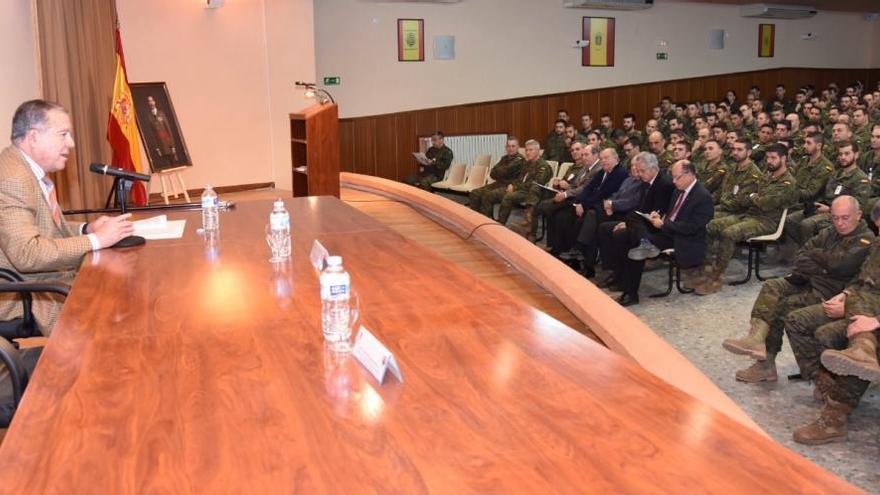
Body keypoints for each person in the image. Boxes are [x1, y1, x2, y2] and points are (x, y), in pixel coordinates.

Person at [0, 100, 134, 334]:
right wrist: (97, 241)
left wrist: (87, 229)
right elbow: (27, 253)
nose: (70, 144)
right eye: (63, 134)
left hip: (44, 280)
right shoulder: (13, 178)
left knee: (122, 292)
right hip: (23, 294)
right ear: (33, 137)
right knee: (115, 313)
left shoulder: (26, 168)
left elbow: (46, 230)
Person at [721, 196, 873, 383]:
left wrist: (818, 258)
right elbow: (800, 255)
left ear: (859, 215)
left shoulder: (866, 239)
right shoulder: (830, 232)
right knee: (772, 286)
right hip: (809, 282)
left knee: (781, 308)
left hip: (831, 294)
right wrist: (824, 265)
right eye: (835, 218)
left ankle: (810, 376)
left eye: (845, 218)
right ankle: (756, 339)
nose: (840, 223)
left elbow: (840, 264)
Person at [784, 202, 880, 444]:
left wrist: (875, 321)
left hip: (871, 316)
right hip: (863, 310)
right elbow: (863, 282)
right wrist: (846, 295)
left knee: (849, 335)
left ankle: (833, 419)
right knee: (813, 325)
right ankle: (848, 361)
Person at [697, 144, 798, 295]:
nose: (769, 161)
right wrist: (753, 197)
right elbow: (749, 197)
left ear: (784, 159)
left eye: (773, 158)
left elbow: (765, 203)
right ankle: (705, 269)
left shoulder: (787, 183)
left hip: (766, 221)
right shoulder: (767, 175)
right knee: (711, 225)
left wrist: (753, 197)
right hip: (749, 215)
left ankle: (716, 277)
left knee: (729, 233)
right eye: (768, 157)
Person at [617, 160, 713, 306]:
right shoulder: (677, 191)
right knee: (632, 218)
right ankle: (644, 245)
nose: (674, 181)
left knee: (634, 243)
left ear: (689, 175)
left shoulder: (702, 196)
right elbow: (671, 213)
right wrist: (658, 216)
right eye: (673, 177)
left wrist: (664, 224)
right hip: (666, 230)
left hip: (682, 238)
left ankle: (631, 293)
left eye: (677, 177)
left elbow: (693, 228)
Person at [595, 152, 674, 291]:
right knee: (604, 228)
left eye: (642, 171)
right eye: (638, 170)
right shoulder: (646, 182)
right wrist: (628, 222)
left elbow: (658, 212)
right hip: (641, 222)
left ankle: (623, 279)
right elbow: (640, 208)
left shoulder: (664, 184)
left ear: (653, 169)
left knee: (621, 235)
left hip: (653, 227)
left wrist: (629, 224)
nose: (639, 174)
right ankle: (612, 270)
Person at [544, 144, 602, 255]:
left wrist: (566, 194)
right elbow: (574, 184)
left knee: (560, 215)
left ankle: (563, 249)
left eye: (586, 155)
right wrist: (563, 187)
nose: (584, 157)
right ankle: (554, 247)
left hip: (583, 201)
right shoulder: (585, 167)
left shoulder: (598, 169)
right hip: (574, 197)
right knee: (555, 213)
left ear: (596, 155)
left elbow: (584, 189)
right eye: (583, 155)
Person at [481, 140, 552, 229]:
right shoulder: (527, 164)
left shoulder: (543, 166)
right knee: (490, 195)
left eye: (531, 150)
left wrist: (515, 187)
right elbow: (519, 179)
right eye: (526, 150)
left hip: (530, 193)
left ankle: (500, 225)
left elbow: (535, 184)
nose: (528, 152)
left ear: (537, 151)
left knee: (508, 197)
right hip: (519, 189)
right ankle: (487, 221)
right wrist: (512, 185)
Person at [469, 138, 523, 217]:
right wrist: (500, 171)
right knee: (475, 193)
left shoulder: (519, 160)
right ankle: (477, 218)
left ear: (518, 147)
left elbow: (503, 171)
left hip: (509, 185)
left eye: (513, 146)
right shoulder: (504, 158)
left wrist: (499, 170)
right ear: (506, 147)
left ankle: (488, 221)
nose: (510, 149)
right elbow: (492, 173)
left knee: (488, 195)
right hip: (499, 183)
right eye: (508, 146)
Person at [145, 95, 179, 168]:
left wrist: (172, 145)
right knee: (167, 167)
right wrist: (157, 148)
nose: (151, 103)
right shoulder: (149, 117)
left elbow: (168, 129)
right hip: (161, 146)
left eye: (151, 100)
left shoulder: (161, 113)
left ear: (154, 102)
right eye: (149, 101)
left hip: (168, 144)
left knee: (174, 165)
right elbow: (153, 134)